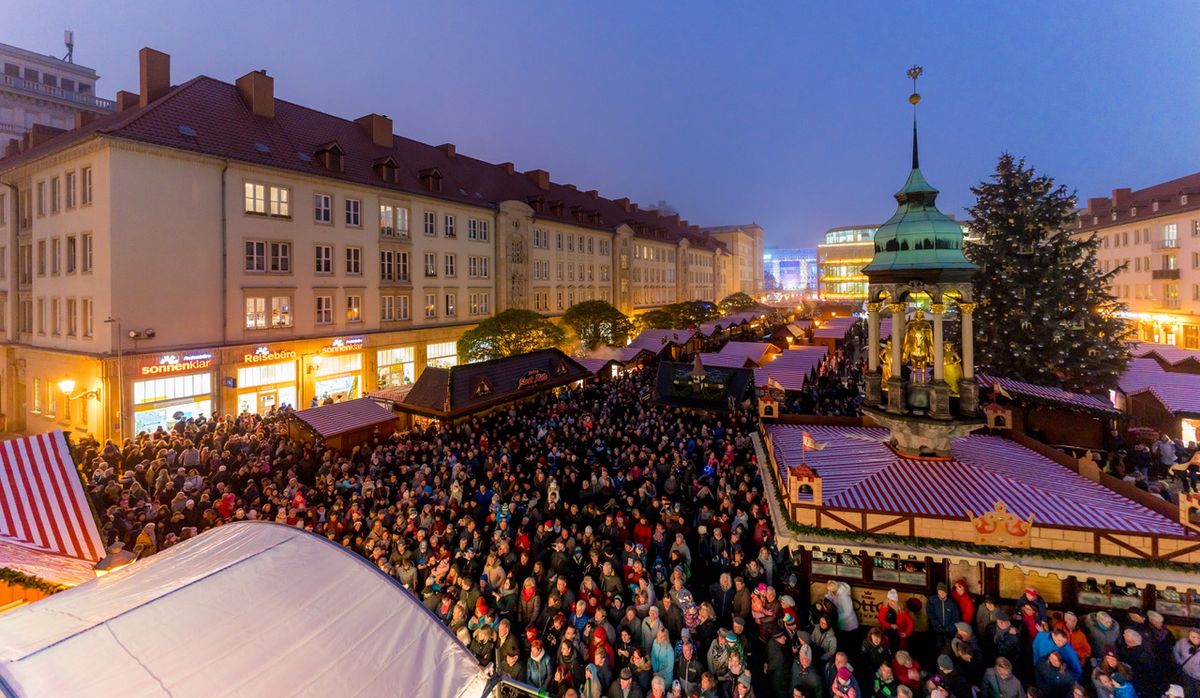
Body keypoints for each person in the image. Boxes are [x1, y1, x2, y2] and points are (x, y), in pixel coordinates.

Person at [928, 584, 962, 650]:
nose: (942, 593)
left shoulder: (952, 603)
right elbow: (930, 614)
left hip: (949, 632)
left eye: (944, 591)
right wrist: (938, 625)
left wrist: (948, 629)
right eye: (940, 591)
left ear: (947, 592)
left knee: (949, 648)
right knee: (938, 646)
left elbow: (956, 619)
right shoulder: (932, 600)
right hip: (937, 630)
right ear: (937, 591)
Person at [1173, 628, 1200, 698]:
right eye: (1192, 637)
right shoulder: (1183, 642)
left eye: (1198, 637)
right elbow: (1175, 650)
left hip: (1198, 678)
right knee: (1187, 692)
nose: (1195, 639)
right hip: (1186, 674)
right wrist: (1179, 661)